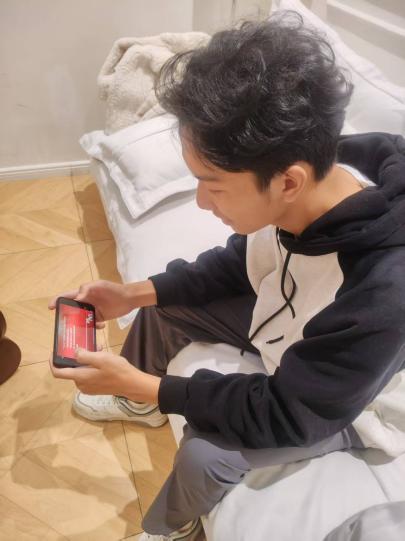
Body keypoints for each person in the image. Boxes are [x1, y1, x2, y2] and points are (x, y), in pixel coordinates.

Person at [49, 12, 405, 541]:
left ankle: (175, 528)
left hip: (347, 399)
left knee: (203, 458)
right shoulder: (320, 171)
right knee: (162, 303)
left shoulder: (382, 292)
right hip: (292, 323)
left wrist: (150, 386)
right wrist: (131, 294)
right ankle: (135, 403)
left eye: (213, 186)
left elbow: (290, 412)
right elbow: (245, 259)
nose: (201, 202)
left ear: (288, 183)